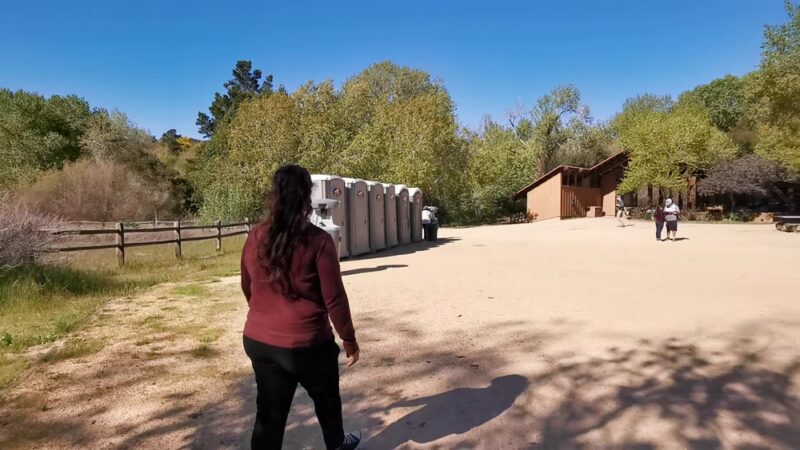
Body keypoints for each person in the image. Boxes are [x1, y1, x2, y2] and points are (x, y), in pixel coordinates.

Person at [240, 165, 361, 450]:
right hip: (308, 345)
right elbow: (334, 298)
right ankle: (337, 445)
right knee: (328, 401)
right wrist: (349, 339)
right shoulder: (319, 241)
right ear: (308, 196)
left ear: (275, 194)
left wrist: (264, 315)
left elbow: (248, 285)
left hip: (260, 340)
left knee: (269, 414)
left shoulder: (255, 236)